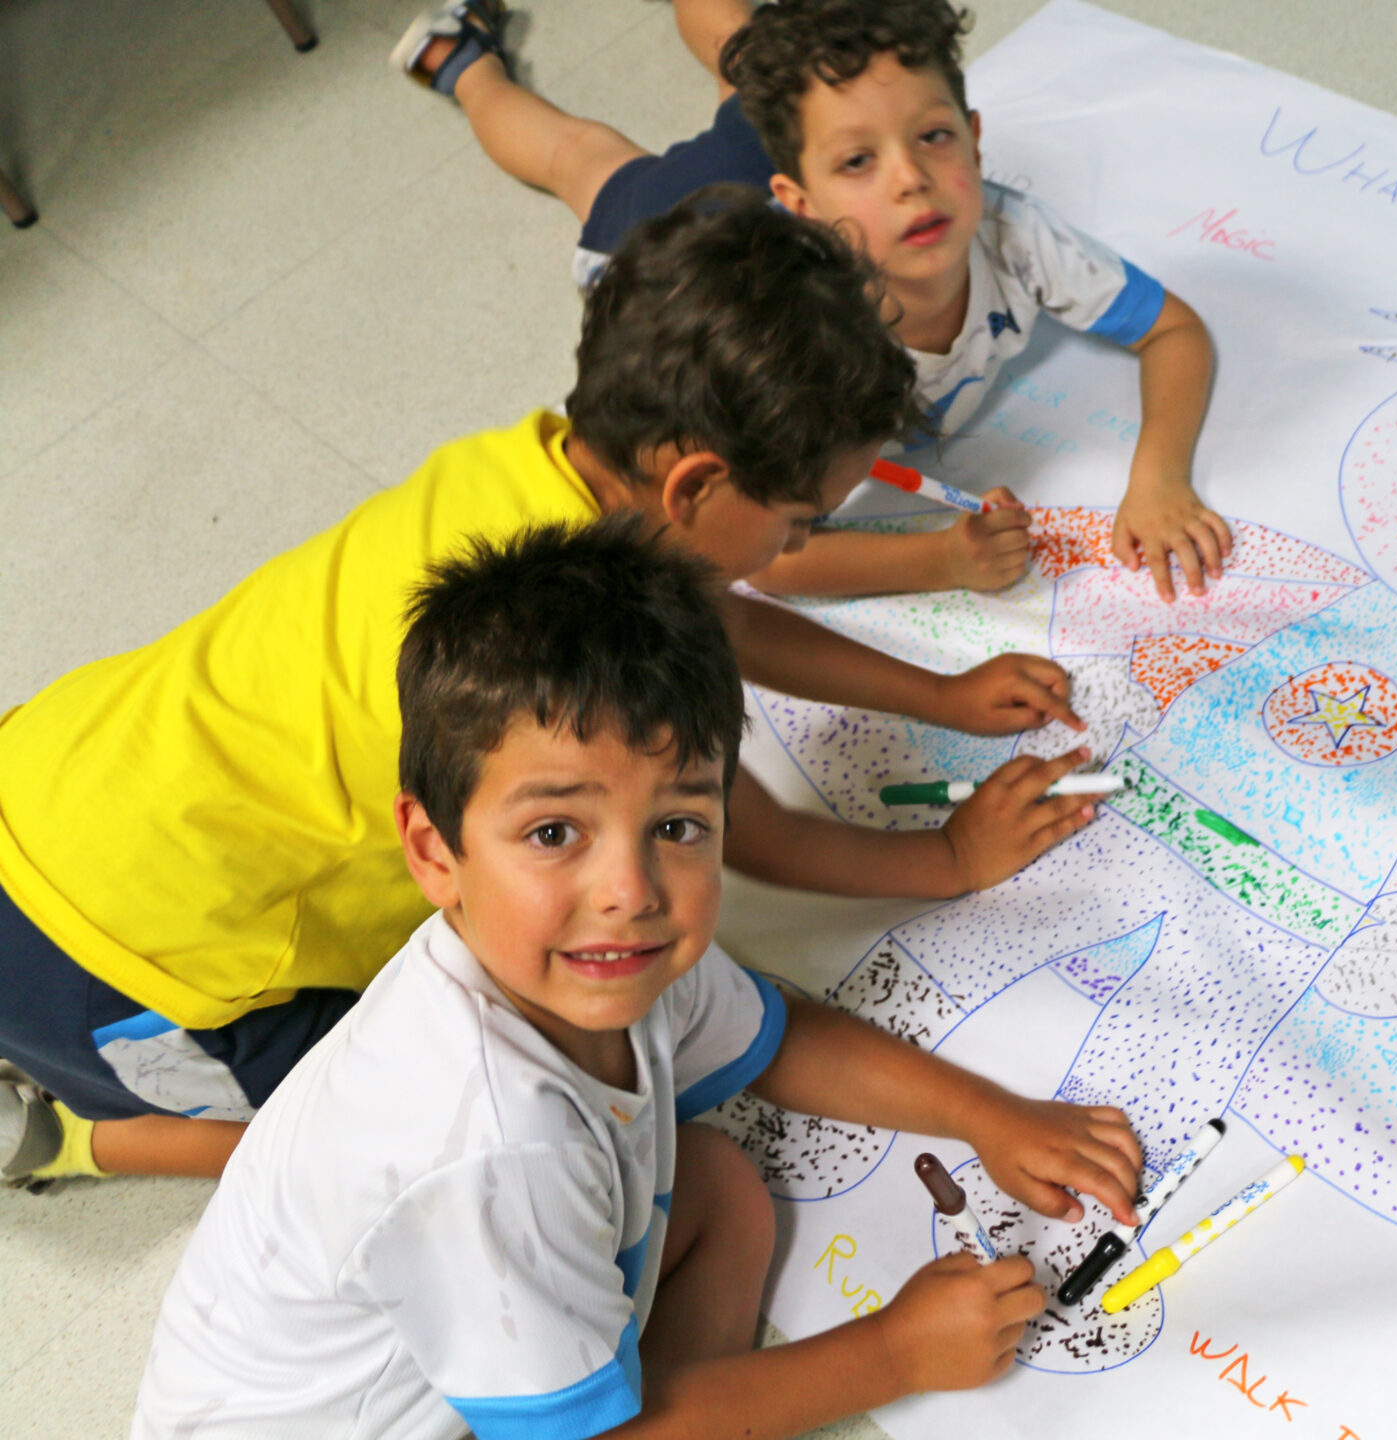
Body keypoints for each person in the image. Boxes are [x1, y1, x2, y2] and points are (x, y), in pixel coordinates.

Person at [0, 194, 1100, 1188]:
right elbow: (737, 831)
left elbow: (710, 607)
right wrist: (943, 861)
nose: (804, 542)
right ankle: (75, 1140)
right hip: (106, 961)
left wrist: (939, 697)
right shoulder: (557, 678)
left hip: (51, 764)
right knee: (391, 1146)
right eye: (802, 521)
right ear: (697, 485)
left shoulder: (540, 471)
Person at [131, 517, 1143, 1438]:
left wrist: (987, 1118)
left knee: (717, 1184)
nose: (629, 889)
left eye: (677, 826)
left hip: (444, 1336)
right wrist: (891, 1354)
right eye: (553, 832)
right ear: (434, 850)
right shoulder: (489, 1142)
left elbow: (777, 1038)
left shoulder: (594, 967)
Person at [392, 0, 1229, 603]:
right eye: (861, 163)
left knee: (751, 69)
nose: (911, 180)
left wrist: (1158, 477)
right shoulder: (792, 358)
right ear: (798, 200)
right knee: (582, 156)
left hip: (769, 201)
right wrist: (938, 562)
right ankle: (465, 66)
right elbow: (766, 556)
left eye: (933, 137)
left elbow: (1174, 329)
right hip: (665, 233)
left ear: (975, 138)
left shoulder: (1012, 232)